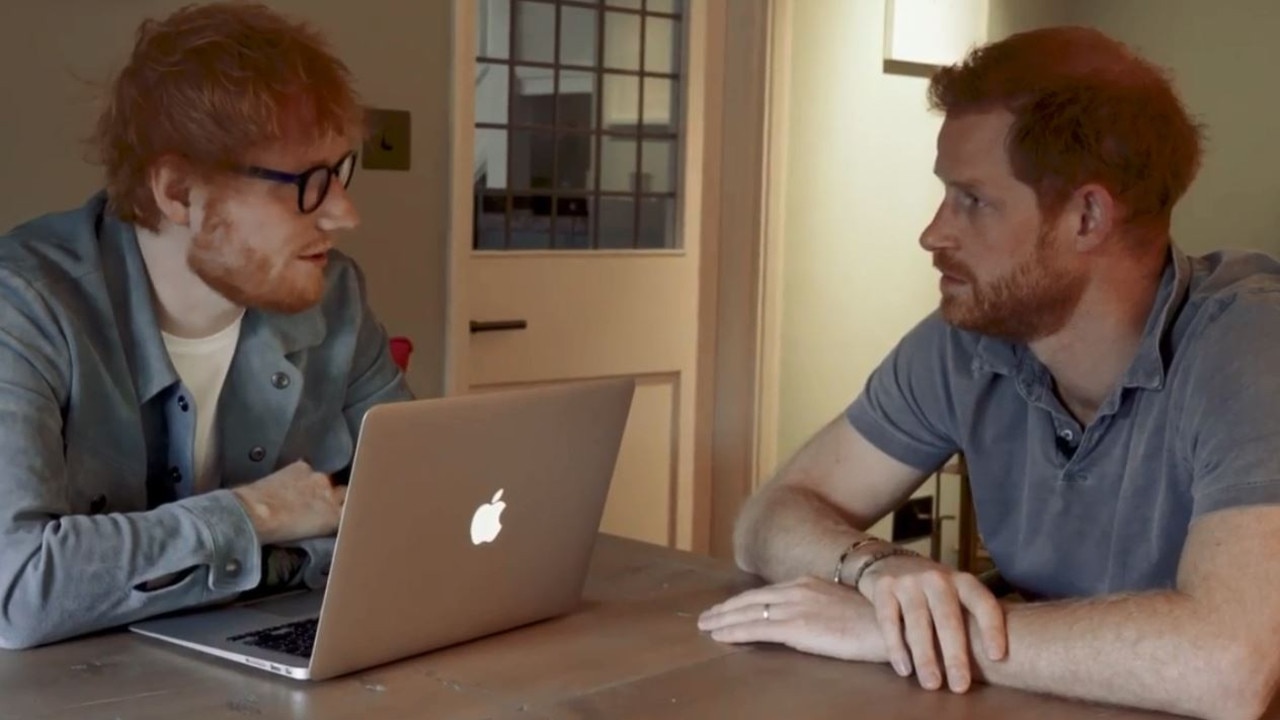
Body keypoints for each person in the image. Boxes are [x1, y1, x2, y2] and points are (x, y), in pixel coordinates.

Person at [699, 25, 1280, 720]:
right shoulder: (971, 340)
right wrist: (878, 570)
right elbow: (769, 516)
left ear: (1087, 216)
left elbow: (1231, 667)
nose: (933, 232)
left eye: (971, 200)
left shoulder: (1249, 345)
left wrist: (894, 632)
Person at [0, 2, 411, 649]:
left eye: (340, 172)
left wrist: (267, 561)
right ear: (178, 192)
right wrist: (260, 513)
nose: (343, 213)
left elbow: (414, 511)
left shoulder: (336, 298)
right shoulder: (22, 305)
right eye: (307, 182)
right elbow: (19, 586)